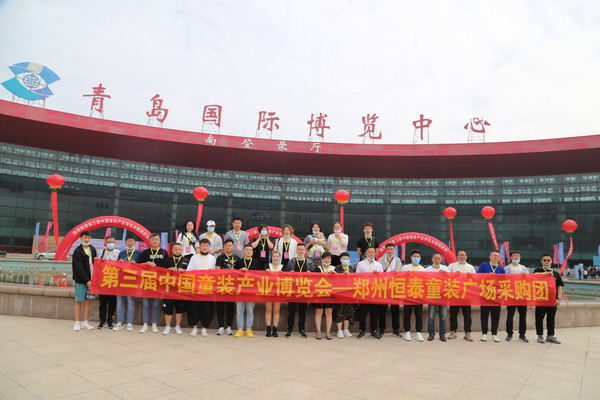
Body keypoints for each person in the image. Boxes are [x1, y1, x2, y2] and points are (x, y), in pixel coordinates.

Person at [138, 233, 169, 333]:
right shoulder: (145, 252)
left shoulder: (164, 252)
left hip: (159, 282)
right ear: (150, 241)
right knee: (145, 303)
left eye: (157, 239)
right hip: (147, 281)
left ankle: (154, 324)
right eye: (153, 239)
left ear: (159, 241)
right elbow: (138, 265)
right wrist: (146, 264)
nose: (155, 241)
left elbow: (167, 266)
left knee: (156, 304)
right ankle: (145, 324)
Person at [187, 238, 216, 337]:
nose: (204, 247)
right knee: (194, 307)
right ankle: (194, 327)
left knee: (206, 308)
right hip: (195, 287)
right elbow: (189, 271)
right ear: (199, 247)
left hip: (207, 287)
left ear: (209, 247)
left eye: (206, 246)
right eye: (203, 246)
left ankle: (204, 327)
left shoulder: (212, 258)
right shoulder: (194, 257)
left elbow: (215, 273)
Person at [284, 243, 314, 338]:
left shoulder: (309, 262)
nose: (300, 251)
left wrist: (310, 273)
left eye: (302, 249)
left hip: (304, 290)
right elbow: (285, 275)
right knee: (291, 311)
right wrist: (290, 273)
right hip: (293, 290)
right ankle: (289, 330)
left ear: (305, 251)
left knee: (302, 311)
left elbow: (314, 277)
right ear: (296, 251)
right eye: (299, 249)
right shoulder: (291, 261)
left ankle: (302, 330)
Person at [534, 255, 564, 344]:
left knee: (551, 318)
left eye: (548, 260)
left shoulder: (555, 273)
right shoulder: (538, 270)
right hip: (541, 300)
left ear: (551, 261)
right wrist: (546, 274)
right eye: (545, 260)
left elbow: (560, 286)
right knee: (539, 318)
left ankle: (550, 335)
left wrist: (558, 298)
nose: (546, 261)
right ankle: (540, 335)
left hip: (552, 300)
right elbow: (534, 276)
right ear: (541, 261)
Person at [233, 244, 262, 337]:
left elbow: (260, 276)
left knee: (250, 311)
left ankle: (249, 329)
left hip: (251, 290)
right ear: (243, 251)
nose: (249, 251)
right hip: (240, 290)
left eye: (250, 250)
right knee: (239, 311)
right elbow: (233, 275)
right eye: (247, 250)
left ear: (252, 252)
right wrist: (239, 271)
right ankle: (240, 329)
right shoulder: (239, 262)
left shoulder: (256, 262)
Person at [477, 249, 506, 342]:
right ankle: (484, 333)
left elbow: (504, 282)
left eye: (497, 256)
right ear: (490, 257)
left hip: (496, 296)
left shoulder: (501, 269)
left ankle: (494, 334)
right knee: (484, 315)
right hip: (485, 294)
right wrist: (486, 275)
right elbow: (477, 276)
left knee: (496, 315)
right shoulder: (484, 265)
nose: (496, 257)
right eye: (494, 255)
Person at [114, 235, 142, 331]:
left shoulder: (139, 253)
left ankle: (129, 323)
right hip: (121, 281)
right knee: (120, 303)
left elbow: (143, 268)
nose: (130, 243)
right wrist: (119, 262)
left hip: (132, 282)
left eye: (132, 241)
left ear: (135, 242)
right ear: (125, 242)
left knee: (131, 303)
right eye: (128, 241)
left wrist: (136, 265)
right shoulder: (121, 253)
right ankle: (120, 322)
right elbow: (116, 267)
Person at [447, 249, 475, 341]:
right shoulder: (452, 266)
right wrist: (453, 275)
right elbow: (446, 277)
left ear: (466, 257)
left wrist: (471, 277)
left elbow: (476, 280)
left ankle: (467, 333)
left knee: (467, 315)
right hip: (454, 293)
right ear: (457, 257)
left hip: (466, 294)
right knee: (453, 314)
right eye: (460, 255)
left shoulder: (470, 267)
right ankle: (453, 332)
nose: (462, 256)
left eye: (463, 255)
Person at [355, 246, 383, 339]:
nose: (371, 254)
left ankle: (373, 331)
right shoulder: (360, 264)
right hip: (364, 291)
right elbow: (357, 277)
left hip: (375, 291)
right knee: (363, 312)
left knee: (374, 312)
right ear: (366, 253)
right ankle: (362, 330)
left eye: (373, 252)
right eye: (369, 252)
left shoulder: (378, 264)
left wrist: (377, 275)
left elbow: (383, 278)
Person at [72, 231, 97, 331]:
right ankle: (77, 322)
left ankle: (85, 322)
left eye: (88, 238)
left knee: (87, 301)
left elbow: (96, 263)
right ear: (81, 238)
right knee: (79, 301)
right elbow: (78, 268)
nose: (87, 239)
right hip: (81, 281)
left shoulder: (92, 248)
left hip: (91, 280)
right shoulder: (77, 251)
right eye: (85, 237)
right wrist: (86, 280)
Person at [162, 243, 189, 335]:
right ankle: (167, 326)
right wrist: (169, 269)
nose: (177, 251)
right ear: (172, 250)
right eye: (175, 249)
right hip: (169, 289)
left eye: (179, 249)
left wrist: (184, 271)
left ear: (182, 250)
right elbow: (160, 273)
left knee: (179, 309)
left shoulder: (186, 260)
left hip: (181, 289)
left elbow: (191, 273)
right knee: (168, 309)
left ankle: (178, 326)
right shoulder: (168, 261)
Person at [214, 239, 240, 335]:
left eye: (230, 245)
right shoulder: (220, 258)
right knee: (220, 306)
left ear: (233, 247)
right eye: (227, 245)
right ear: (224, 247)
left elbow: (240, 273)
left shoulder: (237, 258)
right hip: (221, 285)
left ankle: (229, 327)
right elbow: (217, 271)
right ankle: (221, 326)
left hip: (232, 286)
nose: (228, 247)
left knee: (230, 306)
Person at [400, 249, 426, 342]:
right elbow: (400, 279)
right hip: (408, 294)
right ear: (411, 257)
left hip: (419, 295)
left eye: (418, 257)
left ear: (420, 258)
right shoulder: (405, 267)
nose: (416, 258)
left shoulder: (423, 269)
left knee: (419, 314)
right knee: (407, 314)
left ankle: (419, 332)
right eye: (414, 256)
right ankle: (407, 332)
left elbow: (425, 282)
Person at [378, 243, 403, 337]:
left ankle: (396, 330)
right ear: (385, 250)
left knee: (395, 309)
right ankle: (381, 329)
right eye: (388, 249)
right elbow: (380, 271)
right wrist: (388, 263)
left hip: (394, 287)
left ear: (394, 250)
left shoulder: (397, 260)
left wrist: (397, 271)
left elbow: (399, 270)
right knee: (382, 310)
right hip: (384, 287)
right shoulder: (381, 260)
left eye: (391, 249)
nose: (390, 251)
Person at [504, 251, 529, 343]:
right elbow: (505, 279)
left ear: (520, 257)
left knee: (523, 315)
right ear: (510, 257)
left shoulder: (524, 268)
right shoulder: (507, 268)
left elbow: (528, 280)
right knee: (510, 315)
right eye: (514, 256)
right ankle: (509, 334)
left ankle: (522, 334)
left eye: (518, 256)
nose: (516, 257)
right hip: (511, 294)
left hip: (522, 294)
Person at [312, 252, 336, 340]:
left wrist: (335, 275)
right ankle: (318, 331)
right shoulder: (317, 269)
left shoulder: (334, 269)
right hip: (319, 293)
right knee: (319, 311)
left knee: (329, 311)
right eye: (325, 258)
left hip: (330, 294)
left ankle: (328, 332)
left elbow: (339, 281)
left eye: (328, 258)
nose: (327, 260)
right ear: (322, 259)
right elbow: (314, 280)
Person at [425, 253, 449, 342]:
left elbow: (450, 280)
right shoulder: (427, 269)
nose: (437, 260)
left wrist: (445, 274)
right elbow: (424, 281)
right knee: (431, 316)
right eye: (435, 258)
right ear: (432, 259)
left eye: (439, 258)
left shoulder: (445, 268)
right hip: (432, 295)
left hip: (443, 295)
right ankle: (431, 334)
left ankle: (442, 334)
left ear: (441, 259)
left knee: (443, 316)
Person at [97, 235, 118, 329]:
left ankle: (110, 321)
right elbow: (96, 265)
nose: (110, 244)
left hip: (114, 281)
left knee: (112, 303)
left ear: (115, 242)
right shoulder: (101, 252)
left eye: (112, 242)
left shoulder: (118, 253)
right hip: (103, 282)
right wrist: (100, 261)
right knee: (102, 303)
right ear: (105, 243)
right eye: (108, 242)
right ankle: (102, 321)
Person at [334, 252, 356, 338]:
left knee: (348, 311)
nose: (345, 260)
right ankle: (339, 330)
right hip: (340, 293)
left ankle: (346, 329)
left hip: (349, 293)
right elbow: (334, 279)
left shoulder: (352, 268)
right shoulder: (337, 268)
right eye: (344, 259)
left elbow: (356, 279)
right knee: (339, 311)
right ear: (340, 260)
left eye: (347, 259)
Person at [264, 250, 285, 337]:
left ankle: (275, 329)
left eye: (277, 256)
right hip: (268, 290)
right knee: (268, 309)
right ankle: (268, 328)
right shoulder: (267, 266)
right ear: (271, 257)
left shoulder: (283, 267)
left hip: (278, 291)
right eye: (274, 256)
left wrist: (283, 274)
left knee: (276, 310)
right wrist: (265, 272)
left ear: (280, 258)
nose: (275, 258)